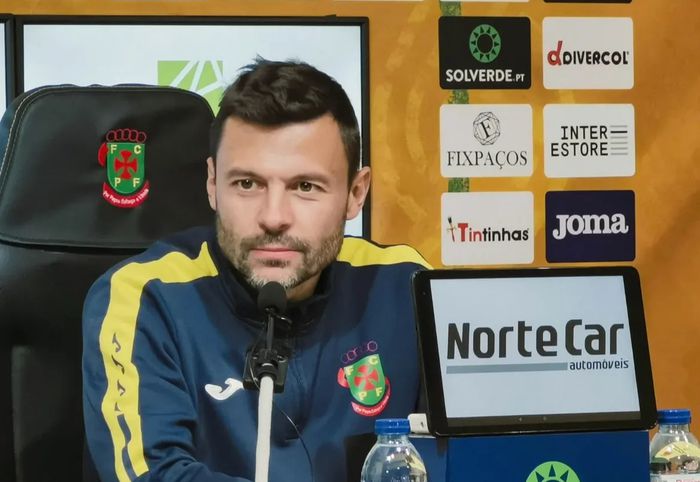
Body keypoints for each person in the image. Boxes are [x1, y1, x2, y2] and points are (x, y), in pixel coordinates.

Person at [82, 59, 430, 482]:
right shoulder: (143, 297)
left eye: (305, 186)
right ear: (212, 184)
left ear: (356, 194)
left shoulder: (408, 286)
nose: (273, 217)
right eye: (247, 184)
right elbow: (155, 475)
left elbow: (481, 449)